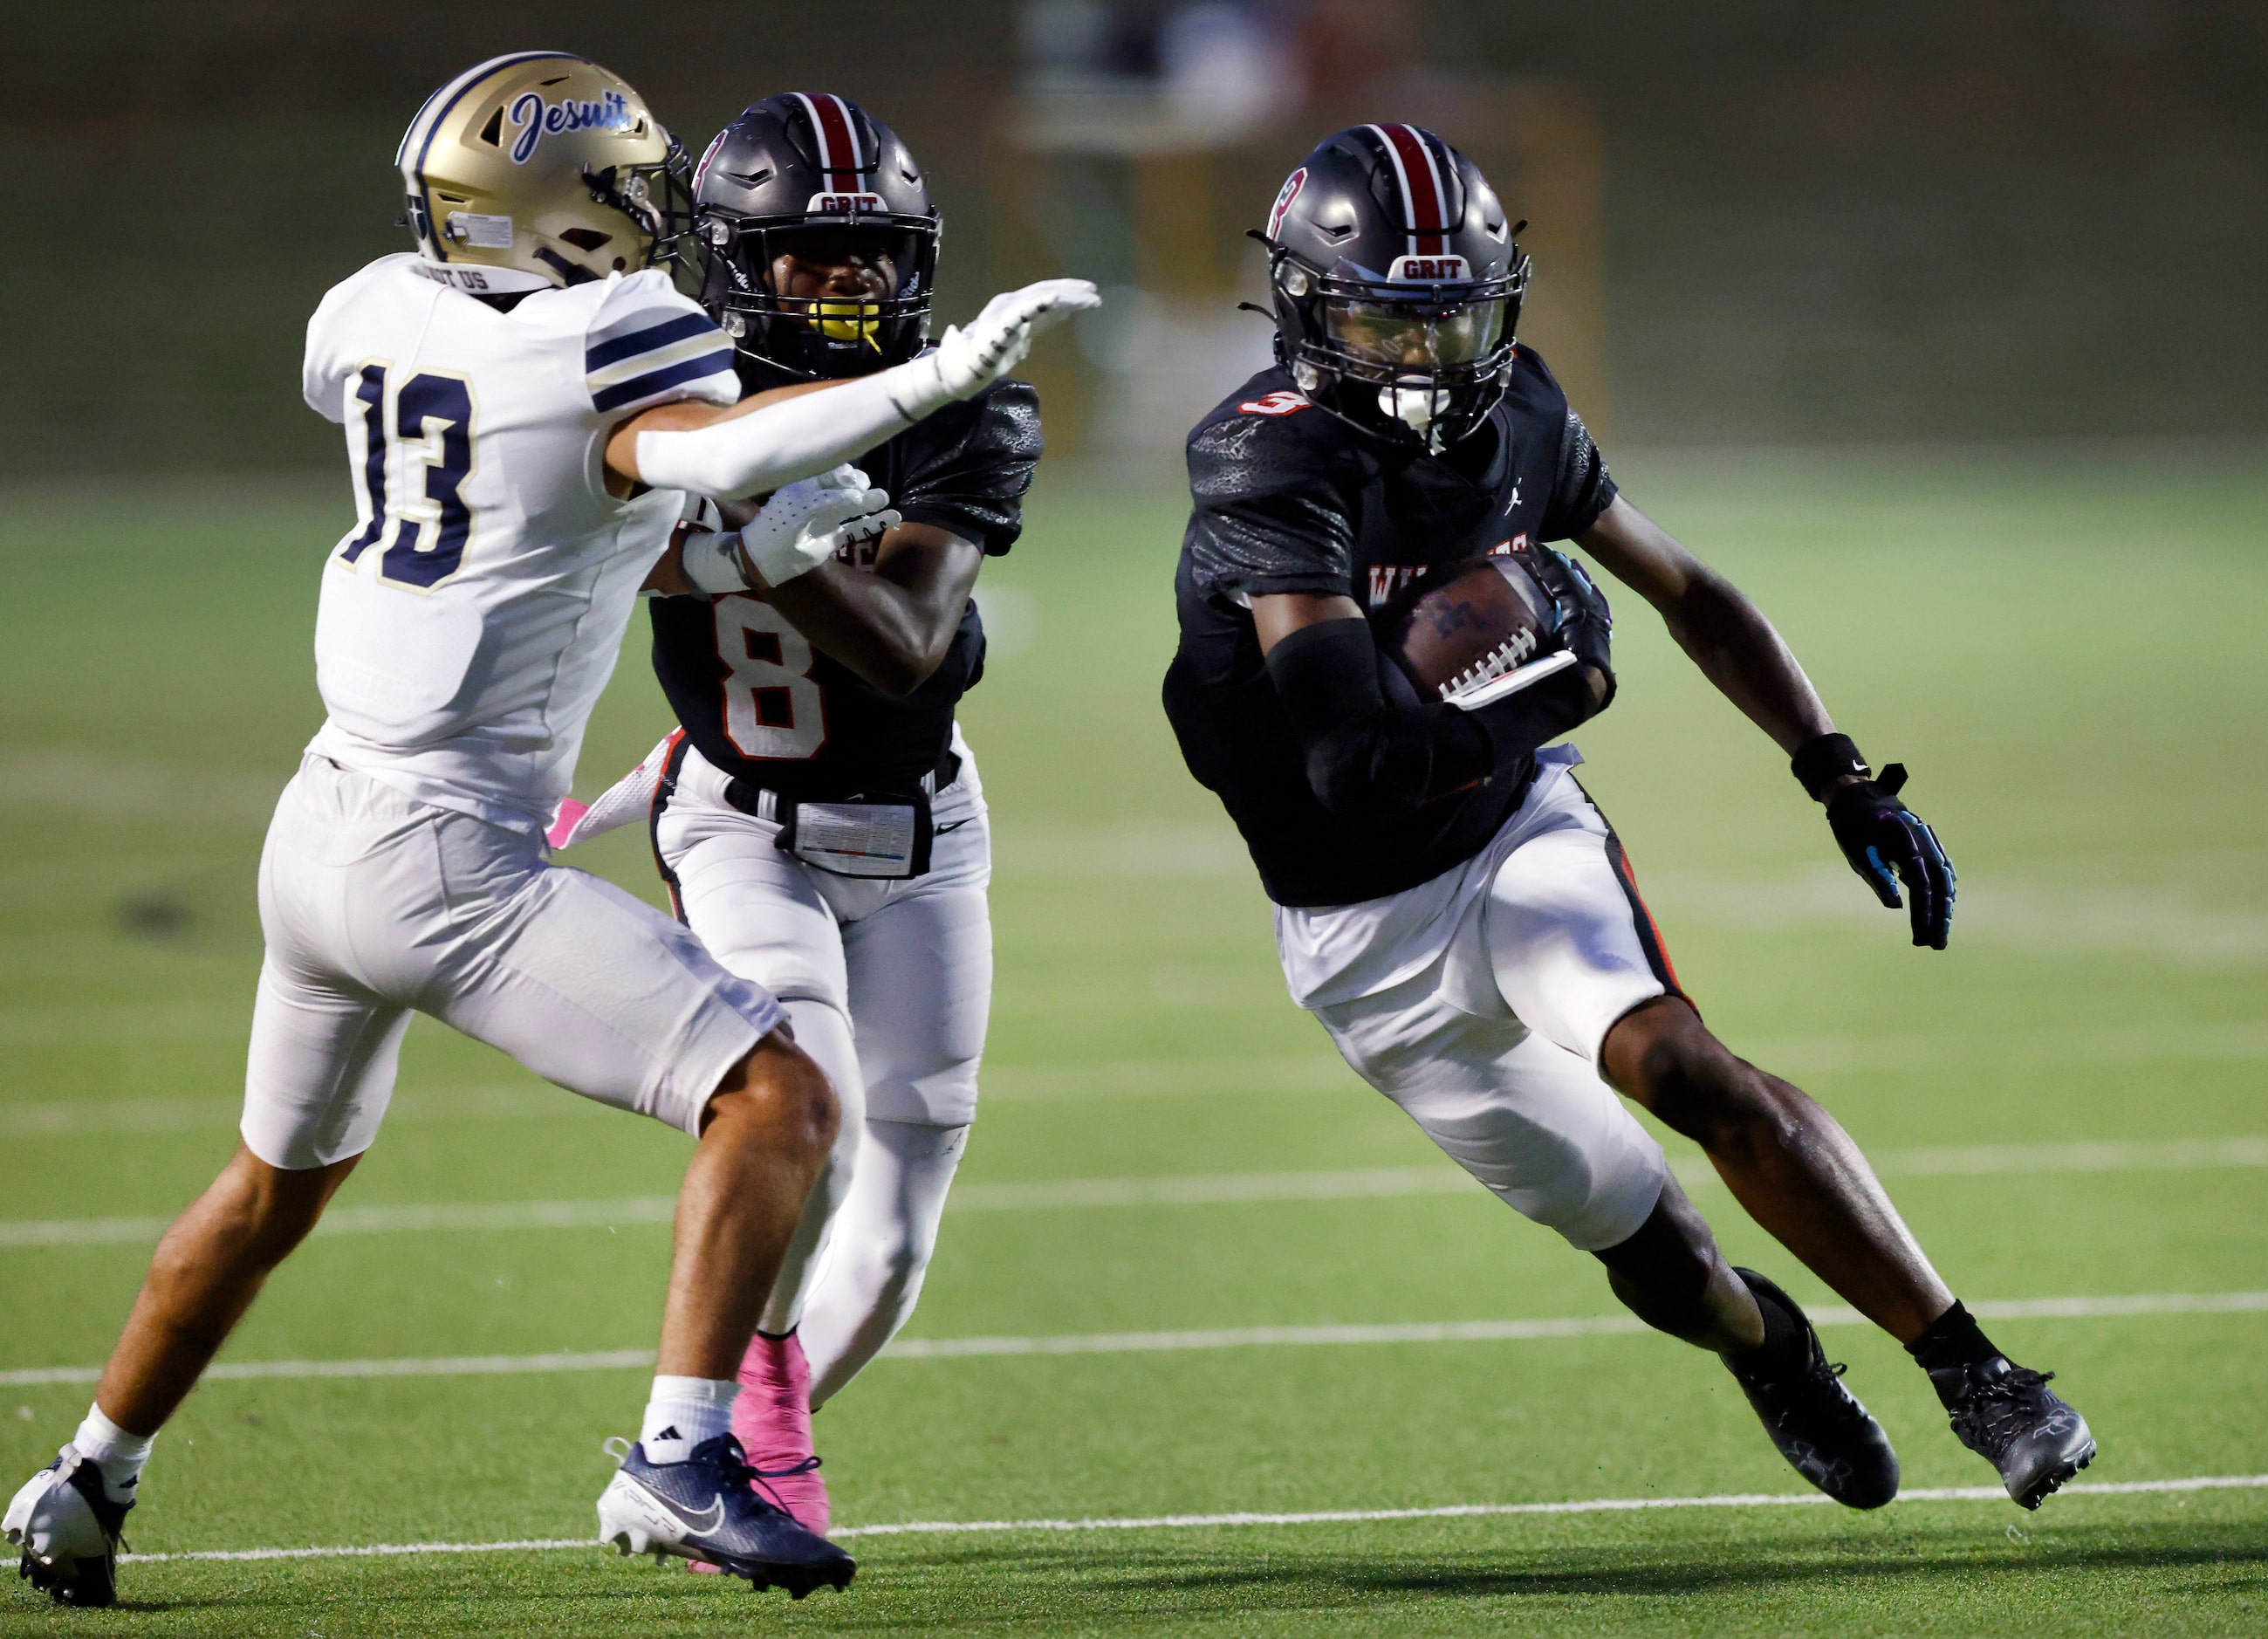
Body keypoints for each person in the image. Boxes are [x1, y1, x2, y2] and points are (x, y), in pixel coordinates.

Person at [3, 53, 1093, 1609]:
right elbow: (708, 453)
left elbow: (584, 484)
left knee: (264, 1193)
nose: (646, 223)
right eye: (624, 196)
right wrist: (928, 383)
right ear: (565, 217)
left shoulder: (374, 304)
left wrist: (723, 560)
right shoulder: (609, 339)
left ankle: (90, 1472)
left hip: (317, 820)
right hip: (450, 857)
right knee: (779, 1097)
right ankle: (677, 1447)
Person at [1161, 122, 2096, 1514]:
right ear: (1306, 307)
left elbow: (1691, 588)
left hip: (1509, 840)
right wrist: (1559, 690)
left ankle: (1979, 1372)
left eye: (1451, 319)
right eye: (1382, 319)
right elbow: (1354, 759)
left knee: (1683, 1066)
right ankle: (1769, 1346)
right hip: (1359, 935)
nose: (1424, 359)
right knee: (1656, 1253)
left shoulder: (1523, 414)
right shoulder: (1267, 466)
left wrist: (1832, 766)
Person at [554, 91, 1054, 1540]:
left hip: (920, 829)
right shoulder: (670, 391)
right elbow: (556, 547)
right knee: (809, 1117)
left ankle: (746, 1442)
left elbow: (903, 643)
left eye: (871, 251)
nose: (847, 279)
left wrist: (746, 546)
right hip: (741, 821)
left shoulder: (966, 398)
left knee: (892, 1232)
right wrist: (739, 535)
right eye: (810, 254)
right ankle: (707, 1441)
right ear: (732, 262)